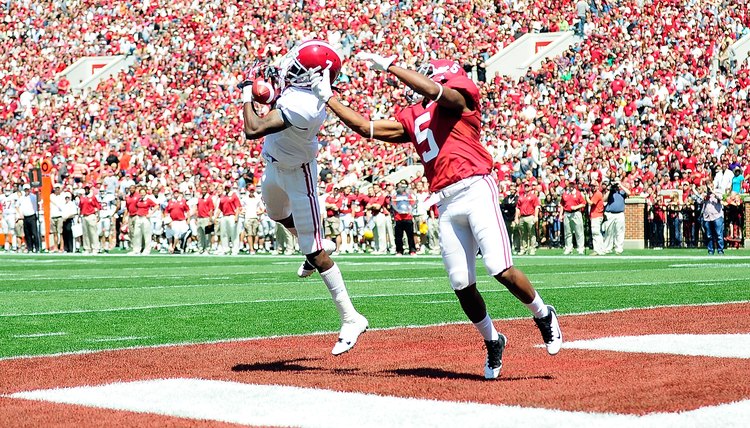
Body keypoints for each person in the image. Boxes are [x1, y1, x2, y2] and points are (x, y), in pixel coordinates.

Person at [311, 52, 562, 379]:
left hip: (476, 187)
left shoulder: (459, 100)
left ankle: (543, 314)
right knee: (461, 283)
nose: (439, 85)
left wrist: (390, 66)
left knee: (499, 267)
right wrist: (329, 98)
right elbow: (365, 127)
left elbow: (438, 93)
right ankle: (493, 340)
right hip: (445, 199)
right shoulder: (416, 116)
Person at [240, 39, 367, 356]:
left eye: (298, 67)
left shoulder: (308, 106)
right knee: (276, 214)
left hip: (299, 174)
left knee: (316, 251)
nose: (291, 67)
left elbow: (254, 128)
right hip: (273, 164)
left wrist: (247, 94)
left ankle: (351, 316)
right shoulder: (302, 76)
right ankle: (312, 246)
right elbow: (278, 69)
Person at [602, 179, 629, 255]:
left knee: (619, 232)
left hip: (620, 214)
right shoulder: (610, 192)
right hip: (610, 214)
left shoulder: (622, 192)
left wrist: (621, 185)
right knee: (609, 231)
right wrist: (610, 189)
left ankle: (619, 248)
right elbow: (604, 199)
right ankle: (607, 248)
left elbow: (629, 193)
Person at [391, 179, 417, 255]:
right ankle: (399, 250)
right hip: (398, 218)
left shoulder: (409, 196)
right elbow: (394, 205)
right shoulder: (395, 196)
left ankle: (412, 250)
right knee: (398, 236)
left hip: (408, 218)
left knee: (410, 235)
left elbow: (412, 204)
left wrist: (408, 210)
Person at [560, 180, 586, 255]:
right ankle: (568, 248)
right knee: (567, 232)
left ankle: (580, 248)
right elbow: (562, 204)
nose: (571, 186)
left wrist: (576, 207)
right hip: (567, 213)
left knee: (579, 232)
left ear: (574, 186)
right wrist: (560, 215)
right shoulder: (565, 194)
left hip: (576, 213)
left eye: (572, 185)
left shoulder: (578, 193)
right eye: (570, 185)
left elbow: (583, 203)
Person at [516, 182, 540, 255]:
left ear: (530, 187)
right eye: (525, 186)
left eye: (528, 186)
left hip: (530, 216)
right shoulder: (521, 196)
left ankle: (532, 248)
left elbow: (537, 207)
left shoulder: (533, 196)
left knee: (532, 233)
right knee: (523, 234)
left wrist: (536, 216)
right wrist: (516, 218)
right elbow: (517, 208)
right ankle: (524, 248)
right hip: (522, 217)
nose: (526, 187)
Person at [702, 188, 725, 255]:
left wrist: (713, 192)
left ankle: (720, 250)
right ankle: (710, 251)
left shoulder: (718, 191)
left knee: (719, 235)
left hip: (717, 216)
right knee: (709, 235)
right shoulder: (705, 194)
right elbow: (699, 201)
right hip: (707, 217)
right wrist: (706, 195)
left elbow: (721, 198)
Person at [18, 184, 40, 253]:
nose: (27, 191)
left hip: (32, 216)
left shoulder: (33, 196)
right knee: (27, 234)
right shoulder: (22, 198)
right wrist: (20, 213)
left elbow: (38, 200)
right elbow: (17, 205)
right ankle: (30, 248)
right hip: (25, 217)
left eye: (28, 189)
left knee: (34, 233)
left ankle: (37, 248)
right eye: (25, 190)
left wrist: (37, 192)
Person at [586, 180, 605, 255]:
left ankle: (598, 250)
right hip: (596, 215)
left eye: (594, 186)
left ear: (597, 186)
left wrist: (586, 197)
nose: (592, 187)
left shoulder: (597, 194)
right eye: (591, 186)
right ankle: (600, 249)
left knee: (595, 233)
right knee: (597, 233)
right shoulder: (595, 194)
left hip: (596, 215)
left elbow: (591, 203)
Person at [500, 183, 519, 254]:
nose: (512, 191)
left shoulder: (517, 198)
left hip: (513, 218)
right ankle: (509, 248)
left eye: (513, 189)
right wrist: (508, 206)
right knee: (508, 234)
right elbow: (502, 205)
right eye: (510, 189)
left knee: (515, 233)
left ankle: (517, 247)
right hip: (507, 218)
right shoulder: (507, 198)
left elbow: (513, 205)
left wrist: (507, 206)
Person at [49, 184, 65, 252]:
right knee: (54, 233)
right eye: (56, 188)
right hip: (53, 216)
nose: (57, 190)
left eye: (58, 188)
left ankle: (61, 247)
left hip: (60, 216)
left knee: (60, 233)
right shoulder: (51, 196)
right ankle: (55, 247)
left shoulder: (62, 196)